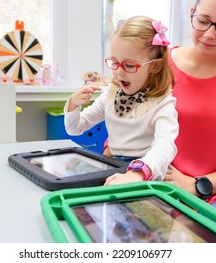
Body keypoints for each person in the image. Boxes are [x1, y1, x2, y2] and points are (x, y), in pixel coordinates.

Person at [105, 0, 216, 231]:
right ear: (193, 12)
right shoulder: (159, 64)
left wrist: (196, 184)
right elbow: (126, 109)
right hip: (149, 177)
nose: (209, 34)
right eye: (203, 21)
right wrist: (114, 148)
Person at [64, 16, 178, 183]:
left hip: (146, 170)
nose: (119, 72)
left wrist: (139, 172)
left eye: (129, 65)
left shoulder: (163, 104)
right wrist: (74, 104)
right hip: (114, 163)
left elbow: (165, 146)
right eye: (114, 62)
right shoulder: (111, 95)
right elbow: (76, 128)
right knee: (70, 170)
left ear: (155, 66)